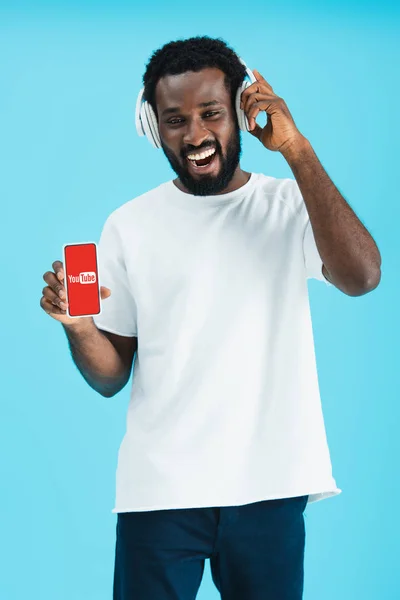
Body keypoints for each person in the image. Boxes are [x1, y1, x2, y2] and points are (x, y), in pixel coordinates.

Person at [40, 36, 381, 600]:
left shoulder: (290, 205)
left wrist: (296, 149)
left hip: (271, 485)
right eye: (174, 119)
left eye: (211, 113)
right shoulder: (129, 225)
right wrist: (78, 328)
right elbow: (110, 376)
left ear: (241, 112)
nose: (195, 135)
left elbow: (362, 276)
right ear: (153, 127)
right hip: (160, 494)